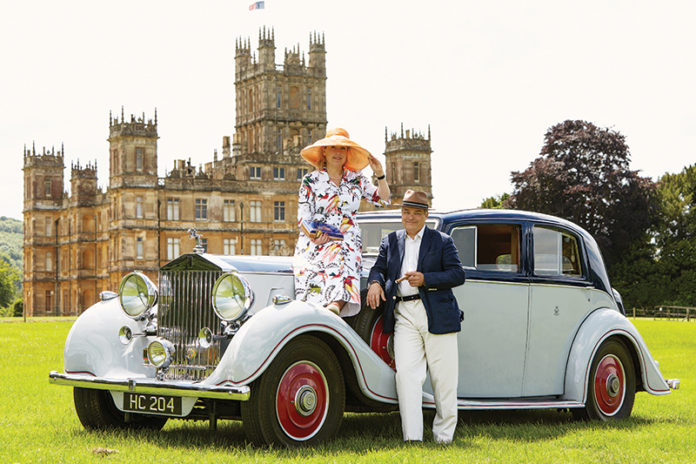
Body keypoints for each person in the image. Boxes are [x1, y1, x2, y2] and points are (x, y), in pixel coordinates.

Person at [366, 190, 465, 443]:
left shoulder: (442, 241)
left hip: (437, 313)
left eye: (416, 213)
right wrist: (375, 283)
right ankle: (412, 438)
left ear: (425, 215)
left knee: (444, 379)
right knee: (407, 375)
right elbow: (377, 268)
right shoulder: (390, 240)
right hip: (404, 314)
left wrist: (426, 279)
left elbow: (457, 275)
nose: (410, 217)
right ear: (401, 214)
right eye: (406, 212)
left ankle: (443, 437)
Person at [294, 128, 390, 316]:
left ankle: (335, 305)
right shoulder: (310, 180)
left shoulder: (357, 180)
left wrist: (380, 174)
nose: (338, 152)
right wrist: (314, 236)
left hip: (347, 238)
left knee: (342, 250)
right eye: (333, 147)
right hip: (316, 239)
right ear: (325, 151)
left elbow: (382, 200)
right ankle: (318, 309)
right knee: (320, 261)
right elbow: (303, 217)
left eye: (343, 148)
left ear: (348, 153)